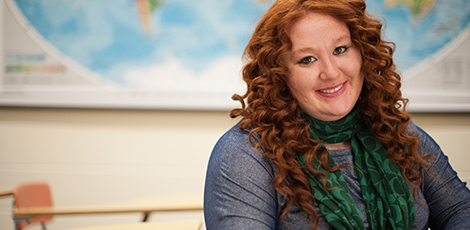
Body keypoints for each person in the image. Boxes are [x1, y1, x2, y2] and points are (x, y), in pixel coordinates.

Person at [203, 0, 470, 229]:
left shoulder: (394, 131)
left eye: (340, 50)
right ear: (278, 75)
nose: (330, 72)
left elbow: (460, 210)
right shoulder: (244, 155)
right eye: (307, 59)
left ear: (363, 53)